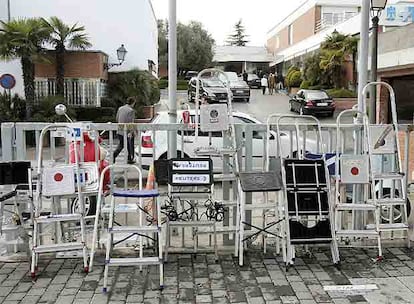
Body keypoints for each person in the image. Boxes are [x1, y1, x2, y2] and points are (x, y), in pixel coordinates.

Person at [113, 97, 137, 164]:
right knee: (129, 145)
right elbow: (131, 123)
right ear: (133, 103)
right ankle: (129, 158)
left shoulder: (120, 108)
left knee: (122, 144)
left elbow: (117, 118)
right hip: (127, 131)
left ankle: (116, 155)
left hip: (120, 130)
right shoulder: (131, 111)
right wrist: (132, 132)